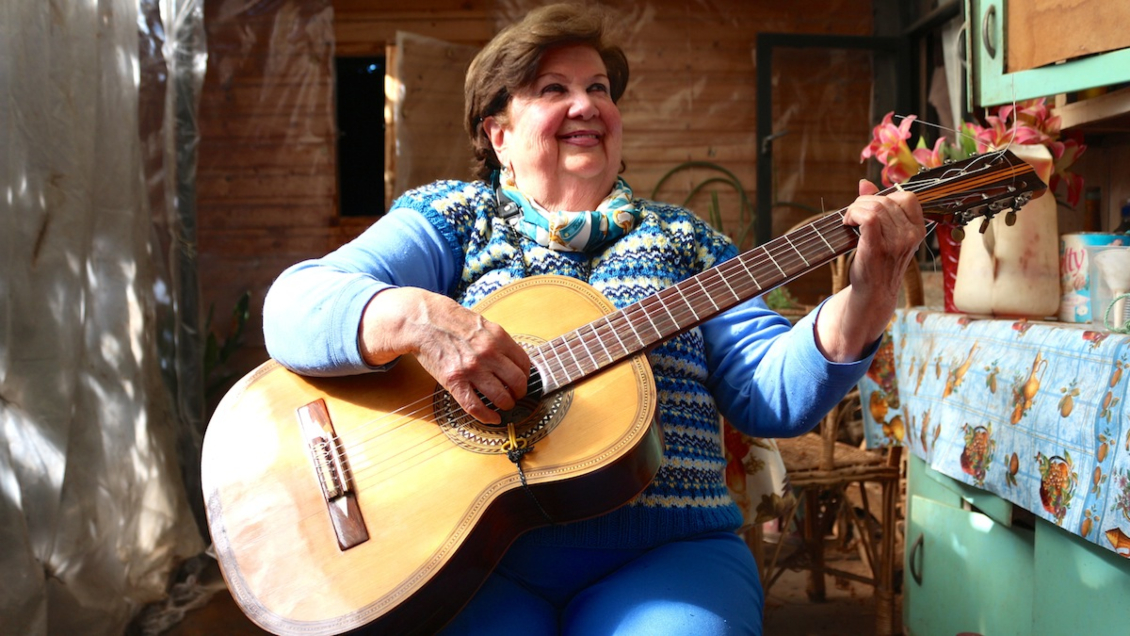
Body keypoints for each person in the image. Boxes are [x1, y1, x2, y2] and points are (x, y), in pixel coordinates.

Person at [262, 4, 924, 634]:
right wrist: (419, 319)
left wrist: (868, 296)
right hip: (467, 559)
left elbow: (771, 395)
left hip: (666, 556)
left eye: (600, 88)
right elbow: (296, 303)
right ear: (498, 134)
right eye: (553, 88)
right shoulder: (457, 219)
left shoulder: (684, 241)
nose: (587, 105)